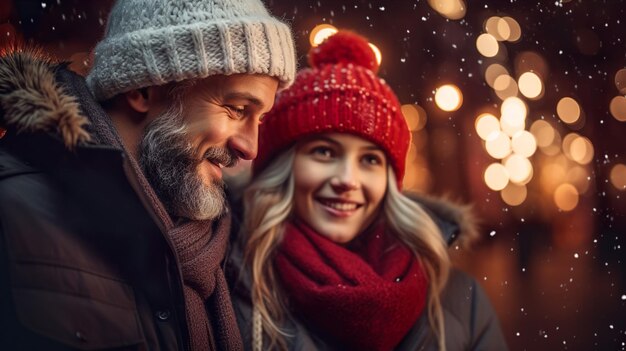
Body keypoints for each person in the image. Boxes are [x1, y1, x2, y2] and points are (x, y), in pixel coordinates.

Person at [0, 0, 295, 349]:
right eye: (237, 109)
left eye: (259, 120)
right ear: (143, 89)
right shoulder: (12, 212)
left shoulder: (227, 248)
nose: (251, 147)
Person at [227, 31, 508, 350]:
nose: (348, 179)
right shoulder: (226, 286)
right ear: (282, 166)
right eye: (324, 152)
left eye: (371, 160)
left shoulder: (460, 303)